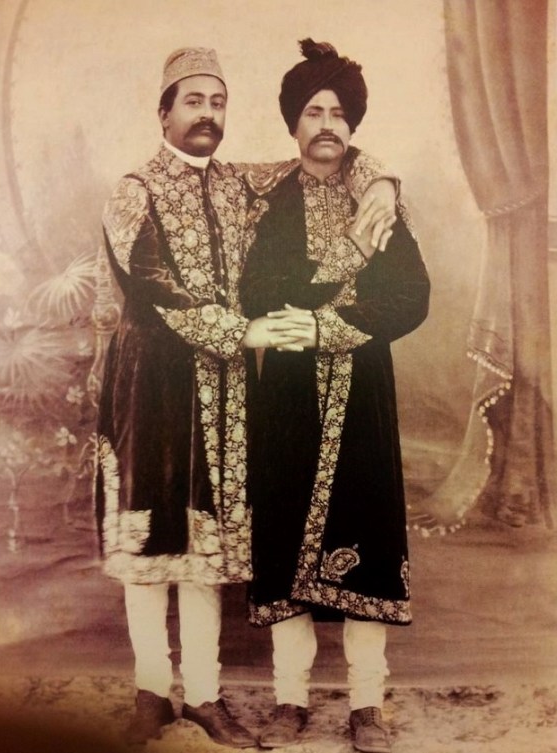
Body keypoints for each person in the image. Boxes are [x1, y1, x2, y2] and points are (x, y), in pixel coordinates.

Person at [94, 45, 398, 748]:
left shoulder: (240, 184)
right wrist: (247, 330)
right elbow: (153, 288)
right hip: (149, 387)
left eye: (217, 102)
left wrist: (384, 182)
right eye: (193, 101)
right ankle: (150, 691)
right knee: (152, 545)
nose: (207, 114)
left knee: (207, 548)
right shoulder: (133, 190)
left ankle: (203, 696)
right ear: (164, 113)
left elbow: (326, 153)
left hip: (224, 392)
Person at [240, 39, 430, 753]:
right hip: (287, 393)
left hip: (363, 389)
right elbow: (257, 292)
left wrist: (330, 325)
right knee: (283, 532)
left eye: (339, 114)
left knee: (367, 534)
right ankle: (289, 700)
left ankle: (367, 706)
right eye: (314, 112)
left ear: (353, 125)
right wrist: (336, 269)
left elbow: (411, 296)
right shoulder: (269, 204)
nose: (327, 125)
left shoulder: (379, 203)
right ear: (294, 122)